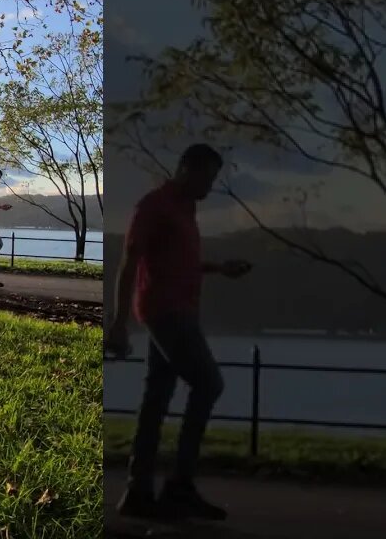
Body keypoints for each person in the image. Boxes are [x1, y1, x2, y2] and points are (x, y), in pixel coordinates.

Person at [107, 144, 253, 521]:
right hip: (165, 313)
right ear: (186, 169)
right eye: (207, 177)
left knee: (157, 398)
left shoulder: (186, 209)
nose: (209, 187)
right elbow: (129, 264)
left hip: (180, 311)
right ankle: (179, 486)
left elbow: (180, 261)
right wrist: (119, 323)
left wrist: (220, 268)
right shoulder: (154, 206)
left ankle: (139, 493)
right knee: (208, 384)